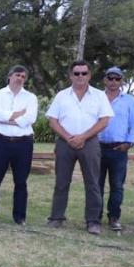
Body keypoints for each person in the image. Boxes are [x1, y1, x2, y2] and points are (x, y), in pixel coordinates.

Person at [45, 59, 114, 234]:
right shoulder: (61, 96)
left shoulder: (99, 95)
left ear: (89, 75)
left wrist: (83, 136)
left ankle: (93, 222)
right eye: (76, 73)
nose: (80, 76)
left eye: (84, 73)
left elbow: (104, 120)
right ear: (70, 75)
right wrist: (69, 137)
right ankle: (56, 218)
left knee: (92, 183)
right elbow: (52, 120)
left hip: (89, 143)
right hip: (64, 142)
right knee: (61, 182)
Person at [0, 65, 38, 225]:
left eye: (23, 76)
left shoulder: (31, 97)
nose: (20, 78)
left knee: (21, 181)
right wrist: (18, 116)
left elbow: (30, 119)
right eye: (17, 75)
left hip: (23, 143)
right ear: (9, 76)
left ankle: (20, 217)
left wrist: (8, 119)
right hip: (0, 142)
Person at [96, 66, 134, 231]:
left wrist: (129, 142)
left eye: (117, 78)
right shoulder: (96, 98)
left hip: (119, 149)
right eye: (110, 78)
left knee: (116, 185)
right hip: (97, 148)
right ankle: (95, 217)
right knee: (96, 184)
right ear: (105, 79)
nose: (113, 81)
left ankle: (114, 217)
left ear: (121, 81)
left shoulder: (130, 101)